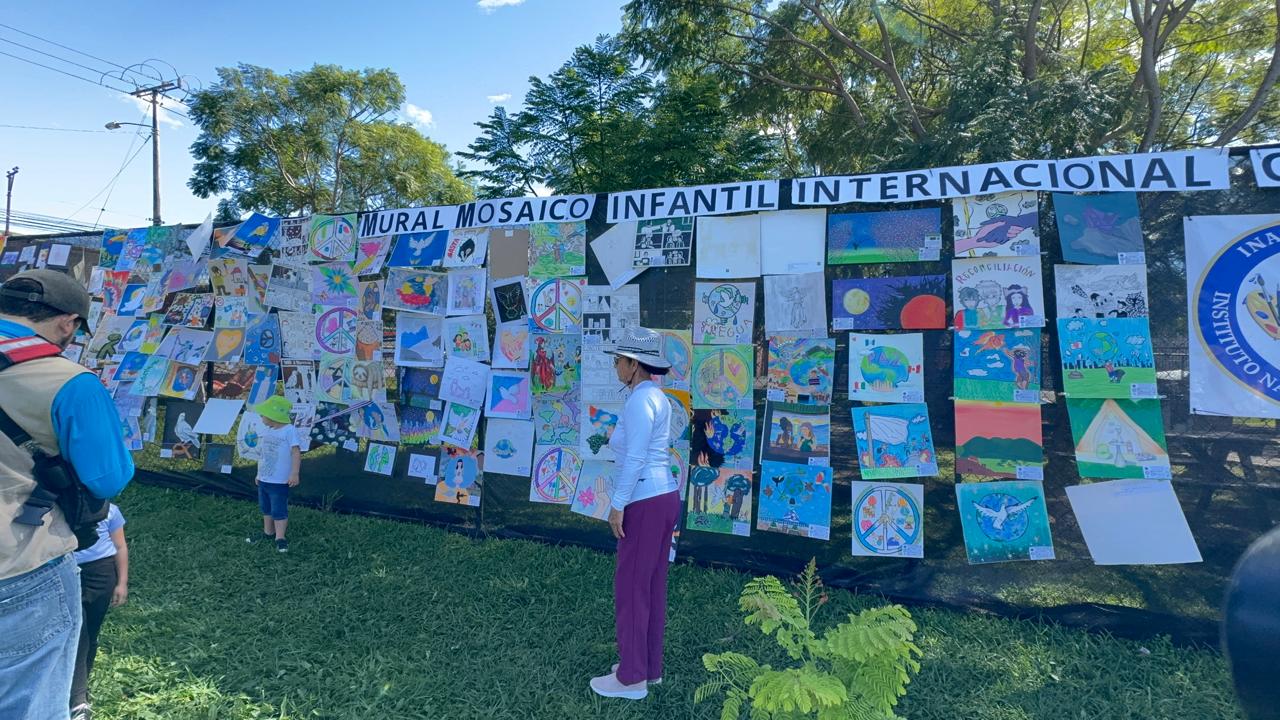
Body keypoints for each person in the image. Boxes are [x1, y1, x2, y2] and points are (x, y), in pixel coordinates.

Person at [0, 269, 134, 719]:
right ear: (68, 322)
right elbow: (108, 479)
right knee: (29, 699)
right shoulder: (71, 382)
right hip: (20, 558)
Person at [591, 327, 679, 701]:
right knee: (650, 585)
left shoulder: (641, 401)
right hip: (662, 496)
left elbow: (637, 457)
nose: (615, 367)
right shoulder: (657, 398)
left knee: (631, 586)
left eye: (618, 361)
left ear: (633, 365)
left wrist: (617, 504)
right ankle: (647, 667)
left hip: (645, 499)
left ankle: (631, 678)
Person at [70, 503, 129, 720]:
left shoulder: (110, 511)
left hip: (101, 573)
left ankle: (81, 684)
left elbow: (120, 546)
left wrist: (122, 583)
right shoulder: (64, 507)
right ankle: (78, 702)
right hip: (69, 571)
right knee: (78, 632)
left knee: (90, 634)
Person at [249, 395, 301, 553]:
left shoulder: (289, 430)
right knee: (266, 507)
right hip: (264, 479)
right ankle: (268, 532)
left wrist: (294, 473)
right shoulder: (267, 430)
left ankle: (280, 537)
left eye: (263, 414)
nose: (261, 417)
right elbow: (263, 454)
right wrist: (259, 474)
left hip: (279, 481)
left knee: (278, 509)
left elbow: (296, 452)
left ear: (273, 415)